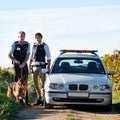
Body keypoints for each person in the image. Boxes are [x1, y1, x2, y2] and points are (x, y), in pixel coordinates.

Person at [8, 31, 30, 105]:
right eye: (20, 36)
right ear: (18, 37)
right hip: (17, 65)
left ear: (25, 36)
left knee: (25, 82)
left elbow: (28, 55)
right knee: (17, 82)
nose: (22, 37)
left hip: (24, 64)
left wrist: (24, 63)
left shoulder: (27, 44)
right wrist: (15, 60)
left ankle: (25, 101)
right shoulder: (15, 44)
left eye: (23, 36)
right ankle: (16, 101)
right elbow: (9, 55)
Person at [29, 32, 51, 105]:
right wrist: (29, 66)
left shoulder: (45, 46)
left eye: (39, 37)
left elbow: (49, 57)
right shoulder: (34, 45)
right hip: (34, 66)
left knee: (42, 83)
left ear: (41, 38)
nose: (37, 39)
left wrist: (48, 67)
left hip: (42, 67)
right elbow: (31, 57)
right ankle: (39, 99)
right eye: (36, 38)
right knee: (36, 84)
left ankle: (44, 99)